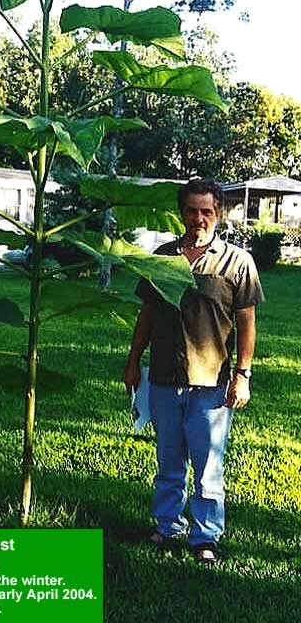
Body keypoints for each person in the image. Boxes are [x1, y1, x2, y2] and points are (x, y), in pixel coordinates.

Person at [124, 178, 265, 564]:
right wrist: (133, 362)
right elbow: (146, 315)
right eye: (191, 210)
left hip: (211, 384)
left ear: (218, 213)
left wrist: (243, 375)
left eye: (207, 211)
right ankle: (167, 525)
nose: (199, 218)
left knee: (207, 468)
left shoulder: (237, 262)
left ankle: (205, 537)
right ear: (181, 212)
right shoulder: (162, 257)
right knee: (169, 462)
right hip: (164, 378)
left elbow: (247, 324)